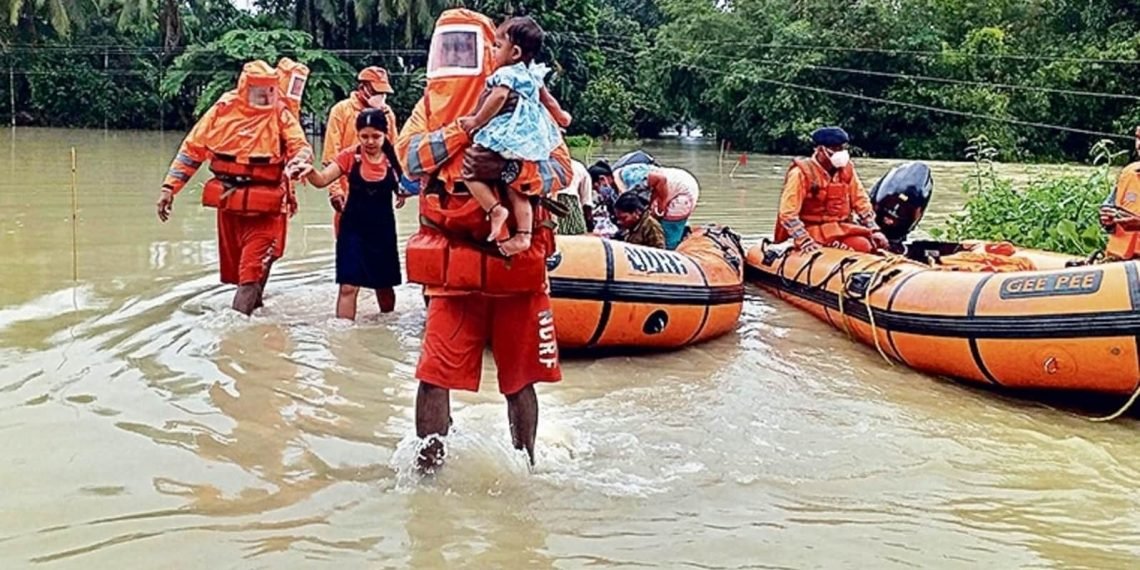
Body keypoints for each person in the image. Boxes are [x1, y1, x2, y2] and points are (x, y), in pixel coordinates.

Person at [396, 8, 574, 472]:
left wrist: (513, 170)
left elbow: (561, 169)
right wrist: (467, 128)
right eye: (448, 47)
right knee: (434, 375)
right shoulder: (429, 105)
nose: (456, 57)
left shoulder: (523, 97)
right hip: (452, 262)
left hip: (514, 266)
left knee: (519, 381)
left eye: (466, 47)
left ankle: (528, 466)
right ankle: (427, 471)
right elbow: (411, 158)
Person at [156, 60, 312, 315]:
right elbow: (192, 150)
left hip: (267, 210)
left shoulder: (280, 113)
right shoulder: (223, 109)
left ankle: (235, 336)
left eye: (271, 89)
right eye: (259, 89)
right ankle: (257, 320)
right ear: (244, 87)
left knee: (249, 275)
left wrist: (299, 162)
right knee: (244, 274)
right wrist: (169, 188)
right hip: (230, 205)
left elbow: (300, 146)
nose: (266, 95)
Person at [457, 15, 572, 249]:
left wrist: (476, 121)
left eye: (497, 46)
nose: (492, 51)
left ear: (516, 53)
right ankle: (523, 235)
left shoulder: (506, 74)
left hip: (508, 135)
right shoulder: (532, 74)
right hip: (531, 140)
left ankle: (495, 209)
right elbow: (547, 100)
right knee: (516, 186)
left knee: (468, 172)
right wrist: (562, 117)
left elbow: (498, 97)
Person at [298, 109, 407, 318]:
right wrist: (309, 171)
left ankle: (387, 329)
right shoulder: (350, 156)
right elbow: (322, 180)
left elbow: (410, 186)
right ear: (358, 135)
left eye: (376, 136)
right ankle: (343, 338)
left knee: (384, 287)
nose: (370, 141)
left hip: (382, 232)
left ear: (385, 134)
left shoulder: (394, 160)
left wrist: (406, 192)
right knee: (348, 286)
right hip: (352, 230)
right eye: (364, 136)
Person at [774, 126, 888, 254]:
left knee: (868, 244)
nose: (841, 153)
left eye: (842, 148)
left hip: (840, 227)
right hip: (812, 230)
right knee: (861, 246)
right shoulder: (800, 174)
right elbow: (788, 214)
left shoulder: (847, 170)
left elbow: (861, 201)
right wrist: (804, 240)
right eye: (835, 149)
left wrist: (874, 229)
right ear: (820, 149)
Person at [322, 67, 401, 236]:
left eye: (383, 92)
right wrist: (335, 191)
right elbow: (331, 154)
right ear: (362, 88)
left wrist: (399, 187)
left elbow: (395, 153)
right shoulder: (341, 111)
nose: (380, 97)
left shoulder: (387, 115)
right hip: (349, 193)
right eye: (376, 91)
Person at [616, 162, 700, 250]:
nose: (620, 222)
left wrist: (661, 207)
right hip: (674, 182)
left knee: (669, 237)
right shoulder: (627, 176)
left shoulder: (632, 178)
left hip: (683, 191)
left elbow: (661, 179)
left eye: (623, 218)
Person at [1098, 126, 1140, 260]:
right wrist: (1107, 220)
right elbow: (1109, 208)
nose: (1139, 145)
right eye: (1138, 138)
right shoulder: (1128, 174)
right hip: (1117, 264)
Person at [555, 158, 592, 235]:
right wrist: (590, 227)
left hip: (552, 207)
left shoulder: (543, 165)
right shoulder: (578, 166)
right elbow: (587, 202)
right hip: (572, 208)